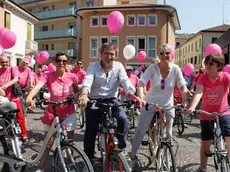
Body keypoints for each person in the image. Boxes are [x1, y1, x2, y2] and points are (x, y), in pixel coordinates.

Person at [129, 43, 189, 169]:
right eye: (161, 53)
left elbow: (182, 85)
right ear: (158, 55)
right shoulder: (152, 68)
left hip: (167, 106)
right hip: (151, 104)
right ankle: (133, 157)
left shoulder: (176, 69)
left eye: (167, 53)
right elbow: (141, 83)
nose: (164, 56)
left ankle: (168, 160)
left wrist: (185, 98)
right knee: (140, 131)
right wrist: (141, 98)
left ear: (171, 54)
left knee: (169, 136)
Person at [78, 42, 140, 163]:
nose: (109, 56)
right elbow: (88, 81)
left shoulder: (119, 66)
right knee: (91, 129)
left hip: (112, 100)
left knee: (123, 119)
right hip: (94, 101)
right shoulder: (93, 66)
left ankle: (119, 148)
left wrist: (131, 94)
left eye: (112, 54)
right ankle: (89, 157)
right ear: (101, 54)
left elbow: (125, 82)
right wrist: (84, 94)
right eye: (106, 53)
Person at [26, 52, 79, 172]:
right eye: (59, 60)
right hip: (53, 113)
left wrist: (76, 96)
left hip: (69, 112)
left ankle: (70, 166)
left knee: (70, 143)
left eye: (64, 61)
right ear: (54, 62)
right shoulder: (48, 75)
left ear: (67, 63)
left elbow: (77, 90)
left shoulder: (72, 77)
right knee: (48, 144)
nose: (61, 63)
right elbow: (38, 86)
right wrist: (30, 96)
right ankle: (41, 168)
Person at [187, 53, 230, 172]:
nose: (207, 66)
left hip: (224, 112)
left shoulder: (225, 76)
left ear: (219, 66)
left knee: (229, 137)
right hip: (206, 114)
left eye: (211, 63)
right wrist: (193, 107)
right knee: (206, 142)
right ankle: (203, 168)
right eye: (206, 63)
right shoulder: (203, 78)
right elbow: (199, 92)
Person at [0, 56, 29, 142]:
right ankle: (10, 134)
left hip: (14, 97)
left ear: (8, 62)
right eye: (2, 62)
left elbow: (16, 79)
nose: (4, 64)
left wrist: (6, 85)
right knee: (7, 118)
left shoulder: (12, 69)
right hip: (4, 99)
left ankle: (24, 134)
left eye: (6, 62)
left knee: (20, 117)